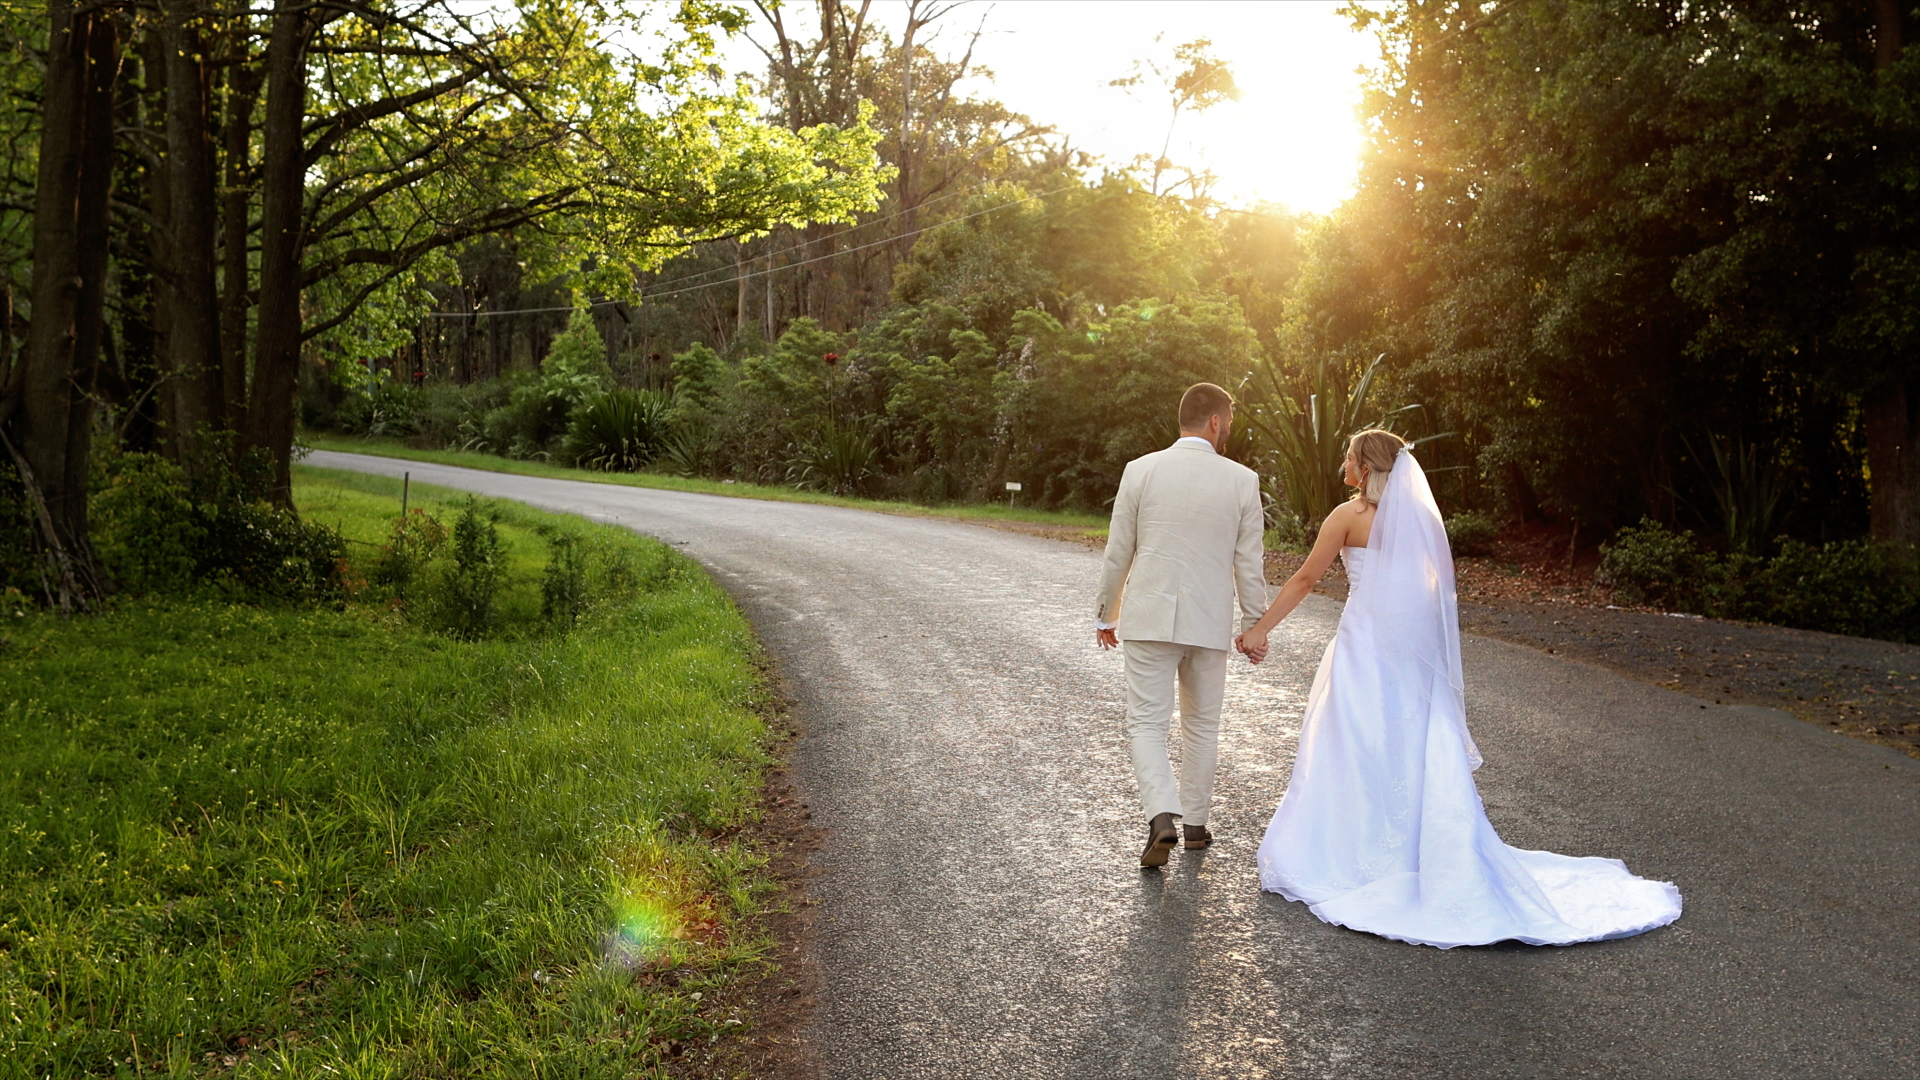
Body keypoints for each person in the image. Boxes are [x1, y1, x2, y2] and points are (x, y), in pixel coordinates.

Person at [1237, 429, 1683, 947]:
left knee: (1356, 739)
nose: (1344, 464)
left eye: (1350, 457)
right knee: (1411, 739)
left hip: (1364, 642)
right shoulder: (1421, 518)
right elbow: (1438, 586)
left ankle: (1352, 852)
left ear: (1366, 467)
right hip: (1407, 647)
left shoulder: (1347, 516)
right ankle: (1417, 849)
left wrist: (1259, 629)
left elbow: (1304, 580)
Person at [1094, 382, 1269, 867]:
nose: (1229, 430)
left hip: (1148, 618)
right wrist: (1254, 625)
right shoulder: (1242, 480)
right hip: (1208, 621)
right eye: (1228, 421)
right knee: (1203, 726)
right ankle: (1194, 826)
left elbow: (1118, 551)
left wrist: (1107, 613)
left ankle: (1162, 818)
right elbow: (1248, 564)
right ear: (1215, 422)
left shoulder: (1140, 470)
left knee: (1146, 724)